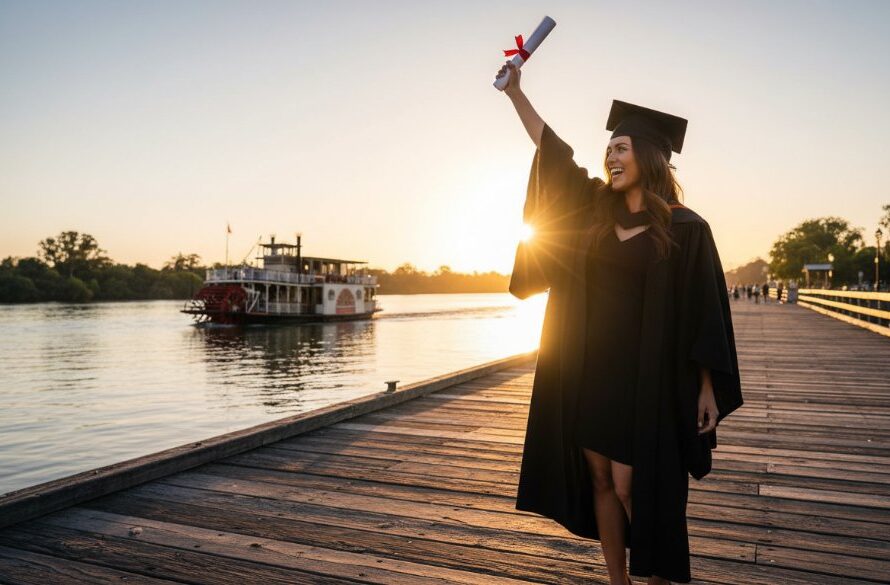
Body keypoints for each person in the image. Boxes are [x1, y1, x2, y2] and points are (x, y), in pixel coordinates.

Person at [497, 60, 743, 585]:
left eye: (622, 148)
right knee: (602, 481)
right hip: (590, 372)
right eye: (608, 149)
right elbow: (553, 153)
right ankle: (618, 581)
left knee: (637, 487)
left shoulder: (686, 229)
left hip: (649, 380)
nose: (611, 156)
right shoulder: (593, 212)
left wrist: (707, 389)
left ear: (648, 158)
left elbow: (705, 313)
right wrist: (516, 93)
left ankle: (658, 576)